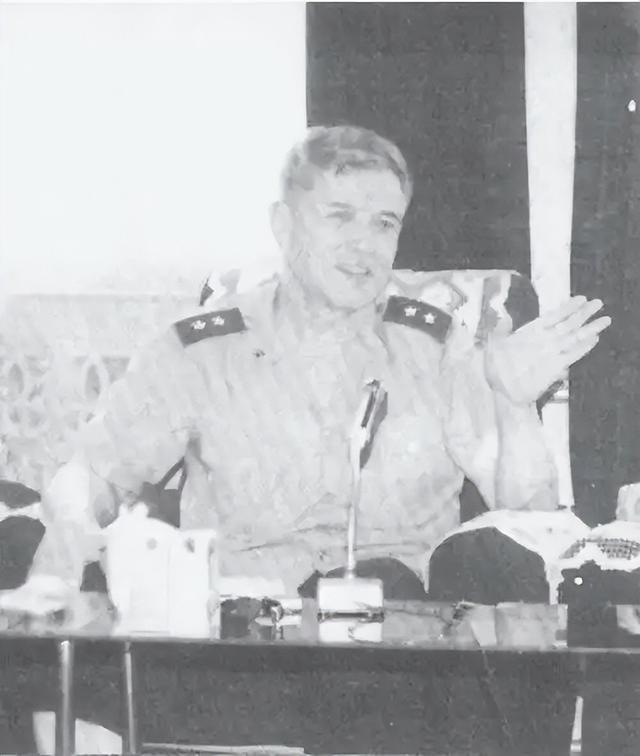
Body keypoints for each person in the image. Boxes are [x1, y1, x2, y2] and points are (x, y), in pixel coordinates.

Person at [3, 124, 610, 614]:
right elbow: (96, 474)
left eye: (384, 223)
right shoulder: (200, 352)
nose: (364, 244)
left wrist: (511, 402)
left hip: (400, 636)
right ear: (284, 225)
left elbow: (524, 513)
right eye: (339, 216)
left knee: (404, 583)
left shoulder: (438, 347)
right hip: (244, 635)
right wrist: (64, 550)